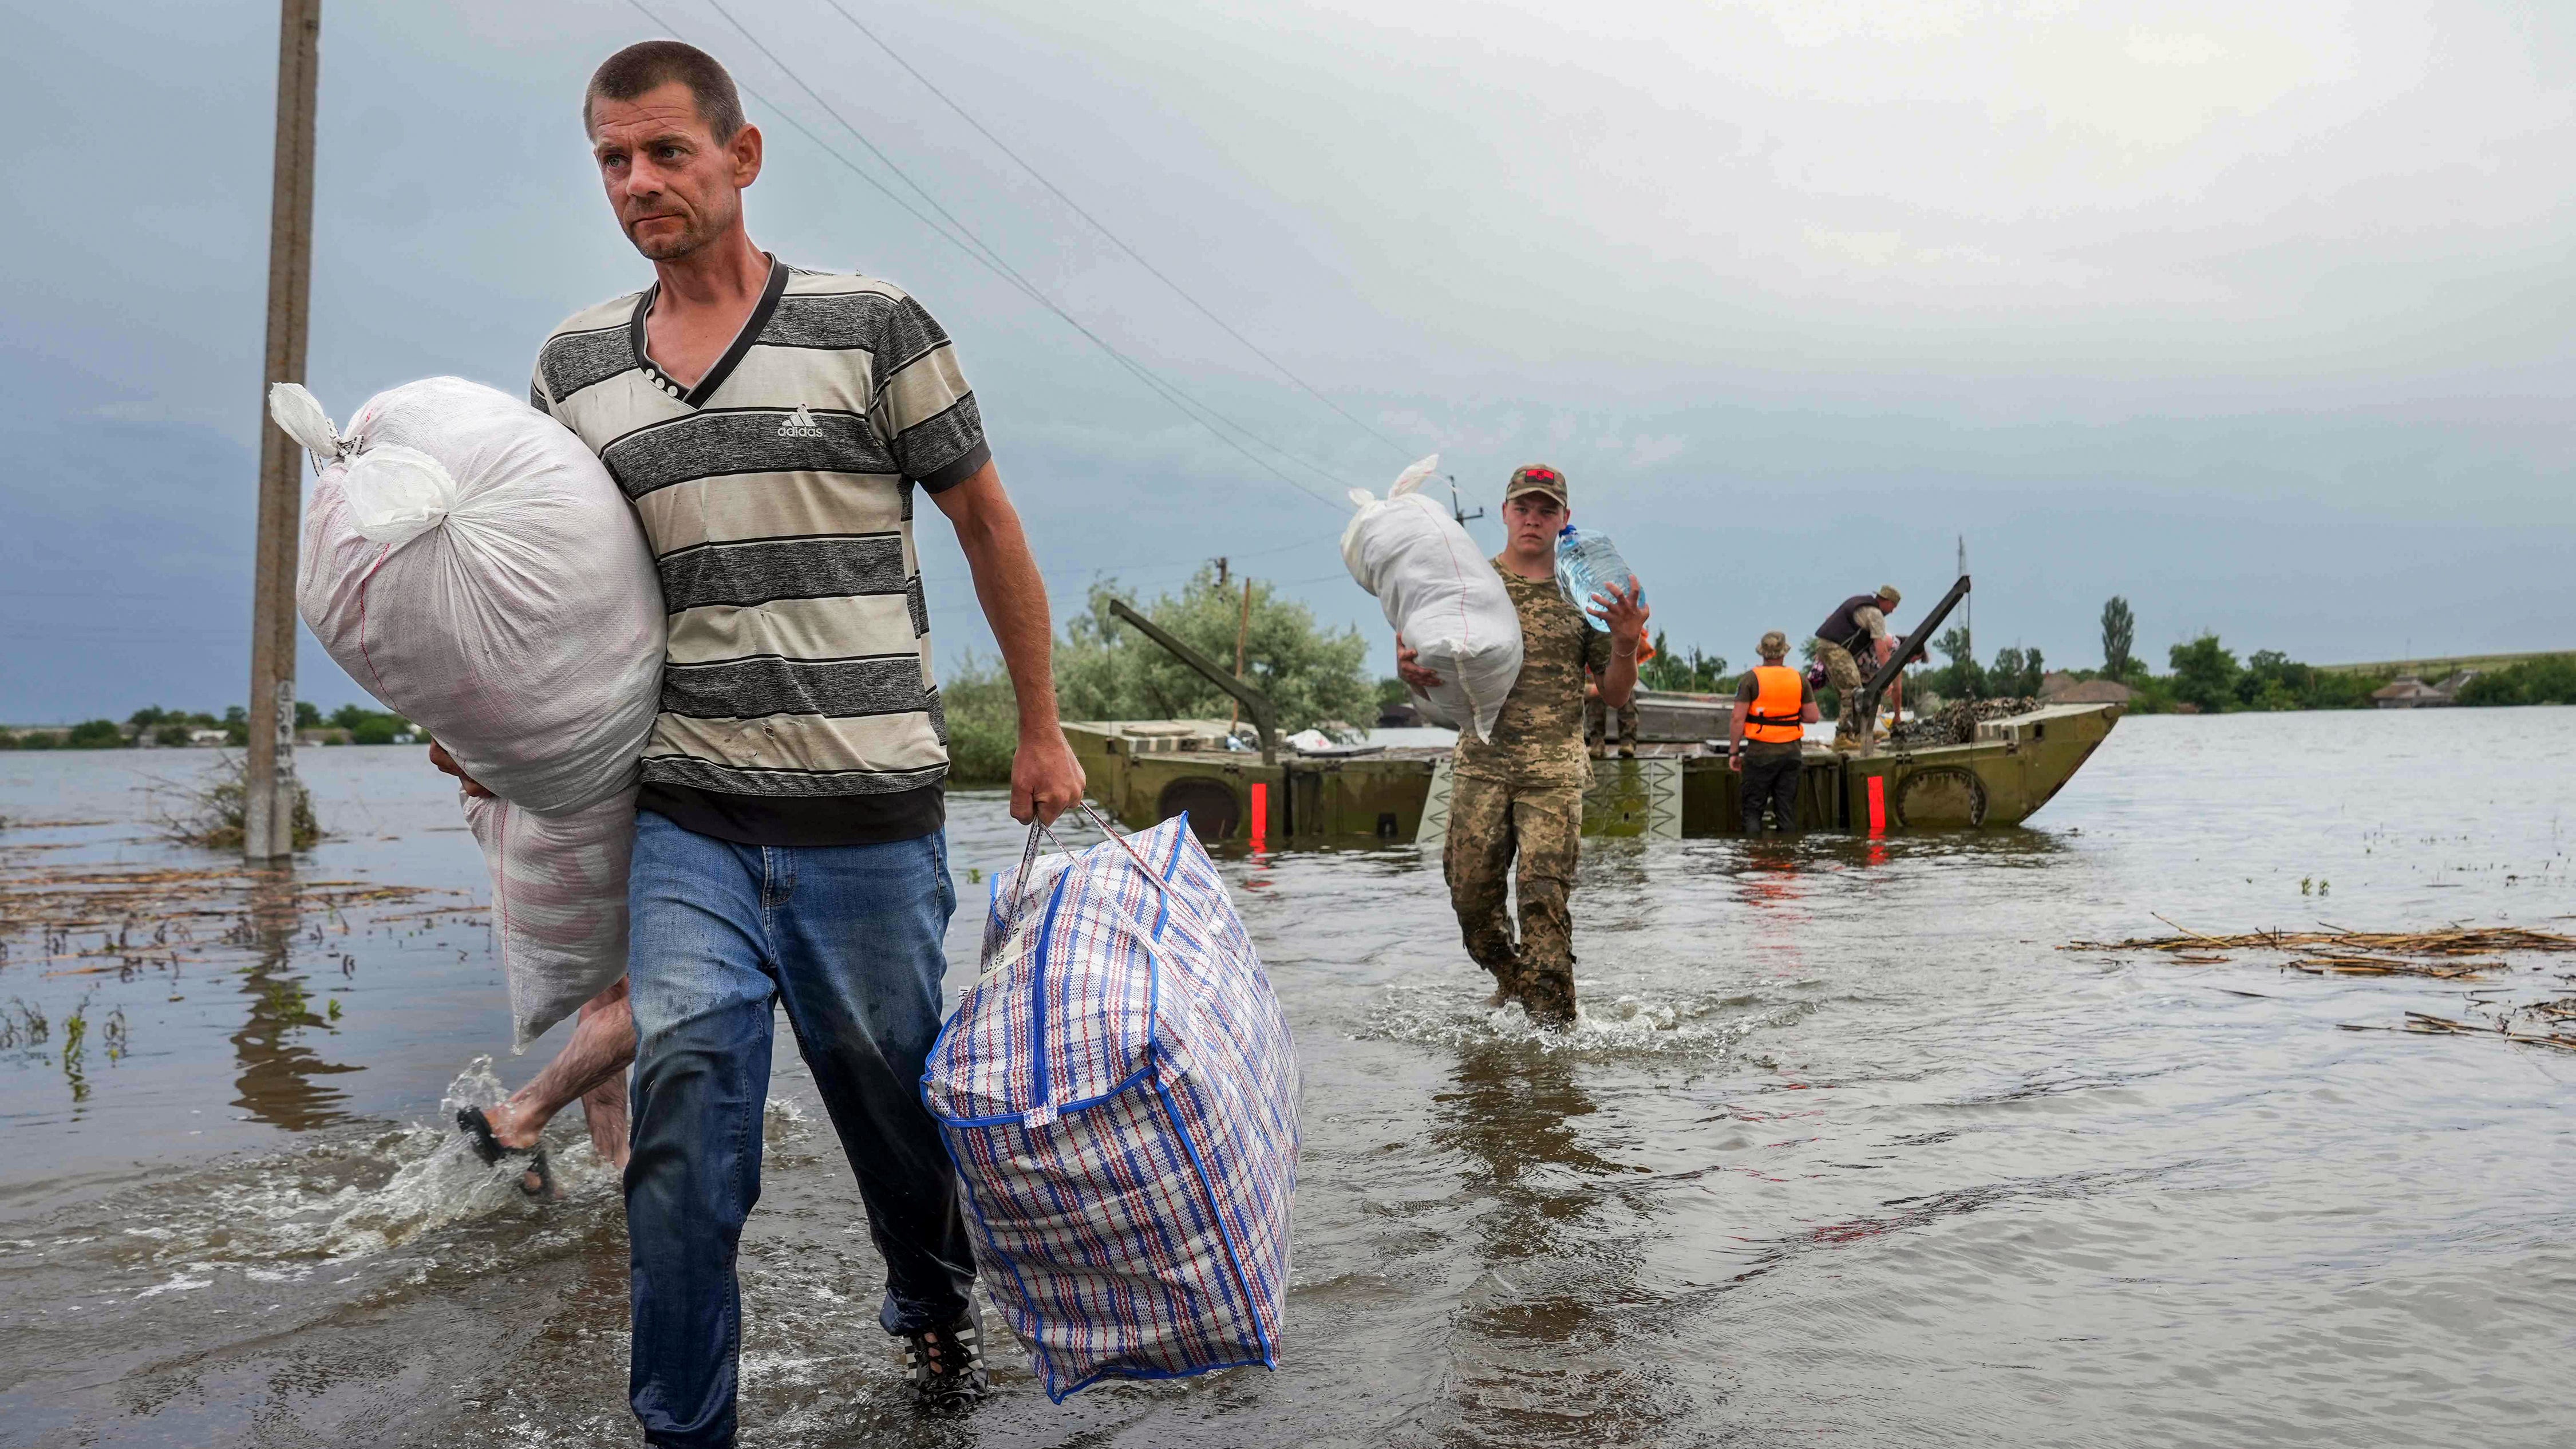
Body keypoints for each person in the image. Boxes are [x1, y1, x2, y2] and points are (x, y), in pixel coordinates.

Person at [445, 40, 1086, 1442]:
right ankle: (684, 1424)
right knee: (681, 1121)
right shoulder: (574, 367)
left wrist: (1039, 728)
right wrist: (486, 725)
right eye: (612, 158)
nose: (637, 182)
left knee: (895, 1127)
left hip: (868, 816)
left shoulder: (872, 326)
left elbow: (985, 522)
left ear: (740, 156)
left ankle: (930, 1315)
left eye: (666, 151)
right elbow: (545, 587)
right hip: (691, 820)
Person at [1398, 464, 1647, 1027]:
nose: (1534, 518)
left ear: (1564, 520)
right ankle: (1514, 983)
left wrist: (1627, 643)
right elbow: (1436, 682)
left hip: (1553, 773)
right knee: (1472, 905)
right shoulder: (1470, 586)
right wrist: (1412, 672)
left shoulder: (1584, 592)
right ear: (1506, 512)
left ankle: (1556, 1041)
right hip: (1481, 768)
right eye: (1524, 508)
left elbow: (1613, 692)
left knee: (1542, 900)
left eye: (1547, 509)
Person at [1728, 631, 1819, 835]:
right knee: (1786, 811)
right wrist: (1787, 717)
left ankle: (1754, 859)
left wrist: (1734, 753)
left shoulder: (1751, 679)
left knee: (1753, 810)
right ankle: (1787, 858)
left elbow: (1737, 718)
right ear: (1784, 653)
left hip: (1760, 753)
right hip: (1791, 754)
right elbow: (1813, 716)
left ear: (1763, 653)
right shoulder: (1799, 678)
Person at [1812, 585, 1903, 751]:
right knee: (1852, 690)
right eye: (1893, 606)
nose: (1893, 611)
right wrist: (1889, 679)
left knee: (1853, 690)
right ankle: (1843, 736)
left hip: (1827, 645)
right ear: (1887, 601)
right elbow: (1882, 650)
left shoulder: (1860, 603)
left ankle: (1857, 733)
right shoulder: (1875, 614)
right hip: (1835, 647)